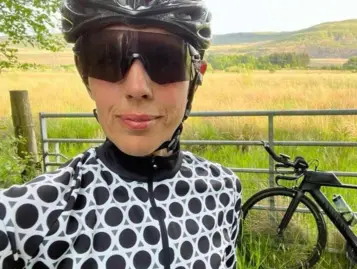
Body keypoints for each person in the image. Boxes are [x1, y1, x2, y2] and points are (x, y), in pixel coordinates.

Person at [0, 0, 242, 268]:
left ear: (196, 76)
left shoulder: (224, 190)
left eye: (166, 60)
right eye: (107, 59)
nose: (137, 88)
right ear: (85, 75)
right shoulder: (21, 220)